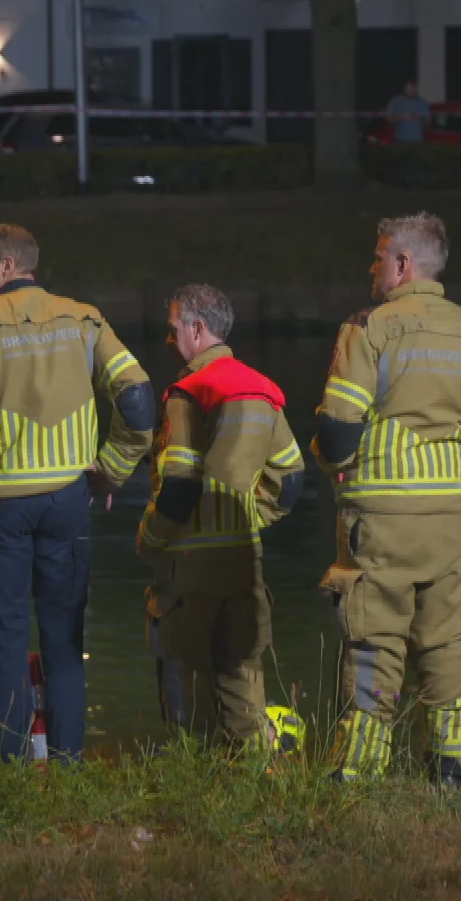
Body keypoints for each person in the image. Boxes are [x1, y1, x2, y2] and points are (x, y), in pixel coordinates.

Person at [0, 223, 155, 762]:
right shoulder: (85, 319)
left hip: (0, 507)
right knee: (65, 642)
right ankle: (68, 763)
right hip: (67, 500)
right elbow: (138, 399)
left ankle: (12, 769)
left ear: (7, 266)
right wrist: (113, 469)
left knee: (7, 645)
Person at [313, 212, 461, 788]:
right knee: (446, 639)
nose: (373, 267)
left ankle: (359, 770)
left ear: (404, 264)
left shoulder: (369, 328)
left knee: (374, 641)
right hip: (450, 516)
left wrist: (332, 462)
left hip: (380, 517)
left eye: (379, 257)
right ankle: (453, 767)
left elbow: (338, 428)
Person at [137, 284, 306, 753]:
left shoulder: (188, 392)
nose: (169, 339)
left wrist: (149, 538)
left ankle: (200, 779)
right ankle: (255, 771)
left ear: (197, 329)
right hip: (244, 562)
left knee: (192, 694)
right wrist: (247, 518)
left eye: (174, 329)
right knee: (242, 683)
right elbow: (290, 478)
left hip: (191, 570)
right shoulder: (263, 390)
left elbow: (179, 485)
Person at [385, 79, 431, 144]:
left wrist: (420, 117)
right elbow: (389, 120)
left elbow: (428, 122)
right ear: (405, 88)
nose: (412, 91)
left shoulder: (422, 102)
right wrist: (401, 117)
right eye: (410, 89)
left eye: (414, 88)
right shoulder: (395, 101)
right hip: (399, 140)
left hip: (417, 141)